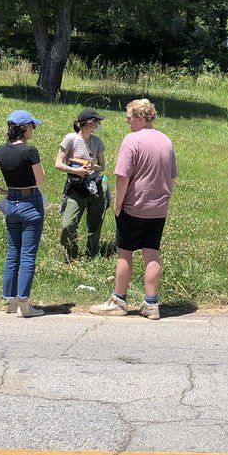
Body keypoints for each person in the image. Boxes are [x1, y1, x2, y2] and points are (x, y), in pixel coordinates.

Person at [91, 99, 176, 320]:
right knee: (152, 253)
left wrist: (118, 205)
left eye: (129, 116)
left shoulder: (132, 140)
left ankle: (119, 300)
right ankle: (151, 303)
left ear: (140, 117)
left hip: (134, 206)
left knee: (124, 253)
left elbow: (122, 177)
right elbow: (172, 176)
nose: (127, 120)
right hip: (159, 208)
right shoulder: (166, 141)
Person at [0, 110, 47, 317]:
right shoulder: (30, 151)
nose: (33, 129)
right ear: (24, 128)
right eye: (32, 126)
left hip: (11, 202)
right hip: (30, 201)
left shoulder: (0, 151)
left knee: (12, 252)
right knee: (28, 254)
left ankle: (10, 300)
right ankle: (24, 303)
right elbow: (40, 180)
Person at [56, 107, 107, 260]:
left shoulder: (97, 141)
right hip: (76, 186)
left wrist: (93, 167)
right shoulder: (70, 139)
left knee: (95, 223)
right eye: (96, 121)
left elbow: (102, 166)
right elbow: (58, 164)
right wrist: (75, 170)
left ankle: (92, 254)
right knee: (68, 224)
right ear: (88, 123)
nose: (98, 124)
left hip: (95, 186)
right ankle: (71, 257)